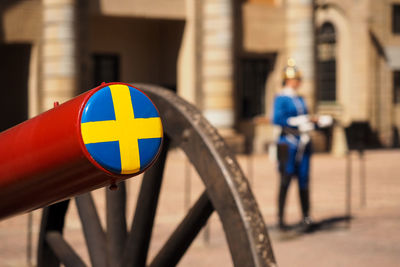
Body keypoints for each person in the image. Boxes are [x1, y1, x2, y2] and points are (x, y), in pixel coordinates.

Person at [273, 59, 332, 231]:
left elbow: (306, 119)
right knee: (285, 180)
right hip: (287, 143)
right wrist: (299, 120)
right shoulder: (281, 98)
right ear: (289, 80)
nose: (298, 82)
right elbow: (277, 119)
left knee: (304, 180)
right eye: (296, 79)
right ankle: (280, 219)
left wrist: (317, 122)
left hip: (303, 143)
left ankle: (306, 216)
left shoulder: (300, 99)